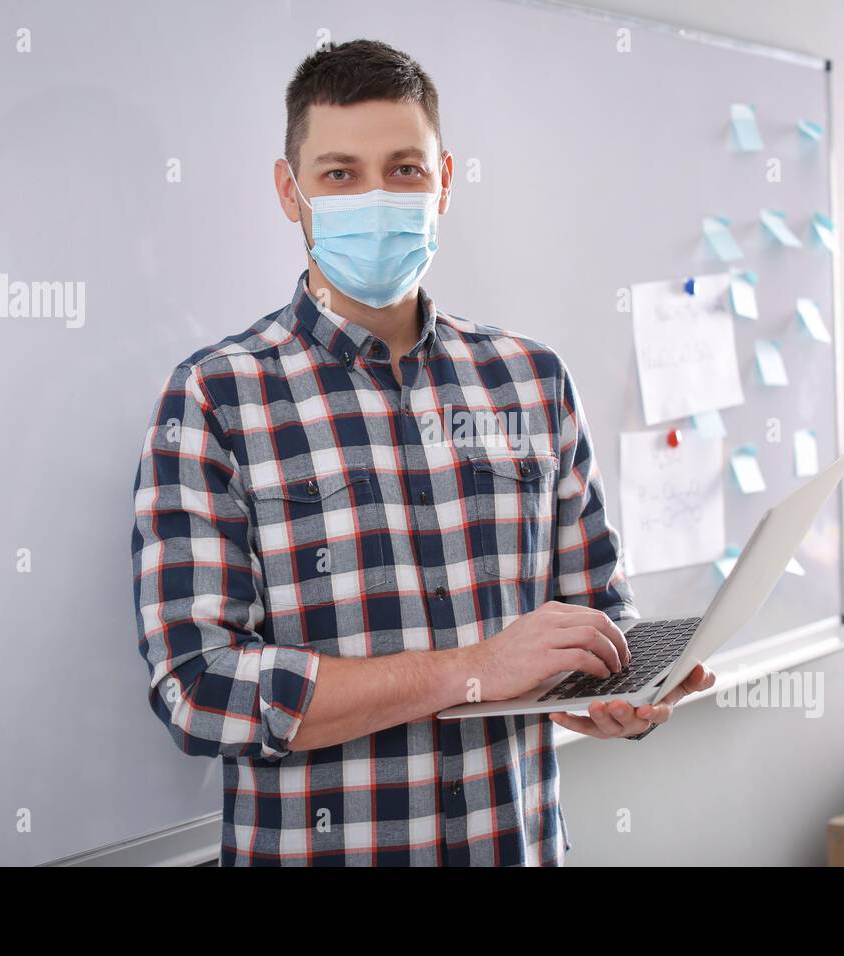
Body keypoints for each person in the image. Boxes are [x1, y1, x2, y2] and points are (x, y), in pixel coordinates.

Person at [131, 38, 714, 866]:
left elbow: (596, 613)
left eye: (405, 169)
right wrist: (471, 669)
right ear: (289, 193)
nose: (377, 195)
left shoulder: (530, 380)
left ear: (443, 182)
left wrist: (613, 689)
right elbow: (198, 690)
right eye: (340, 174)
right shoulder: (214, 400)